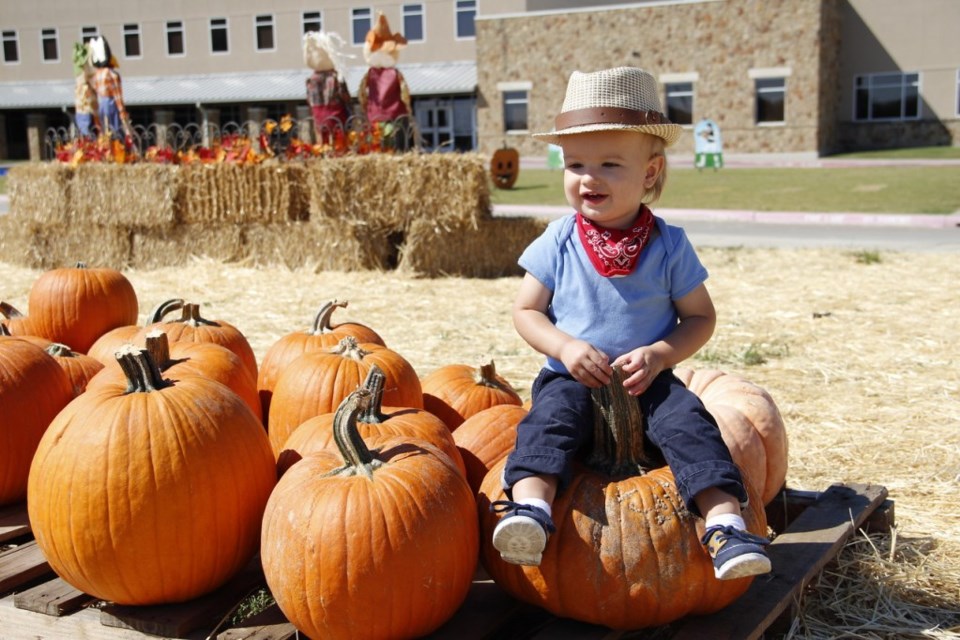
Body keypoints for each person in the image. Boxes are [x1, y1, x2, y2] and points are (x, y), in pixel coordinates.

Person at [490, 67, 771, 581]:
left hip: (648, 381)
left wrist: (662, 354)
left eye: (609, 164)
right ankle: (530, 510)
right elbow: (525, 311)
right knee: (547, 423)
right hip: (572, 375)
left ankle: (724, 524)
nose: (587, 177)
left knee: (692, 427)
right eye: (574, 163)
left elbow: (700, 317)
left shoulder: (668, 245)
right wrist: (565, 346)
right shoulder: (559, 239)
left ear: (650, 172)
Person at [303, 31, 353, 144]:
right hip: (336, 116)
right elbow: (345, 96)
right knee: (339, 145)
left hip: (319, 118)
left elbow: (309, 100)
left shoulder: (311, 79)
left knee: (323, 144)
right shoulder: (336, 77)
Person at [88, 36, 130, 142]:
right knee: (116, 130)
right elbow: (117, 95)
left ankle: (107, 148)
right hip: (111, 104)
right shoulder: (112, 75)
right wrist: (122, 112)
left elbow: (95, 91)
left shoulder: (97, 74)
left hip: (101, 104)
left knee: (105, 130)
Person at [72, 42, 100, 138]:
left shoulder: (79, 78)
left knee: (85, 134)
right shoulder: (85, 75)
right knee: (89, 136)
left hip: (81, 109)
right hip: (87, 109)